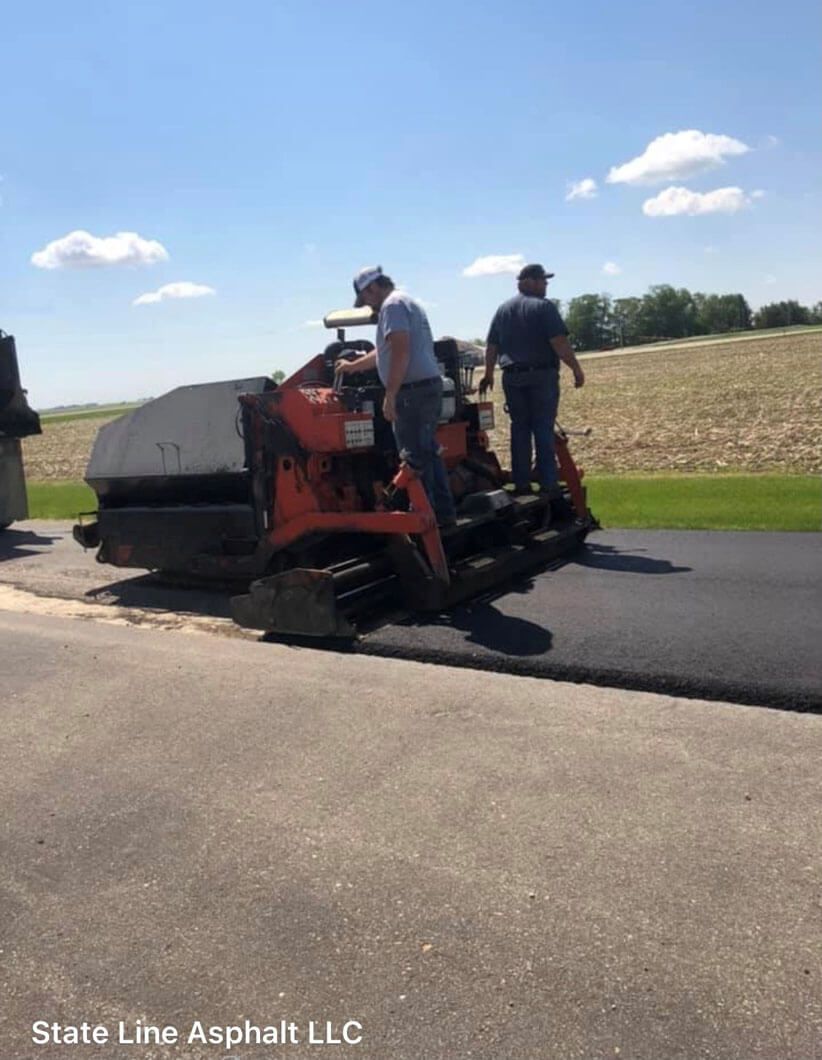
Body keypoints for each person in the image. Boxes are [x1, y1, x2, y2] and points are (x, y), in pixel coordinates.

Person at [335, 266, 457, 528]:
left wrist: (390, 394)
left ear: (372, 288)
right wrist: (351, 366)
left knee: (413, 457)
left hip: (411, 392)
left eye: (365, 298)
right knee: (427, 453)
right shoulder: (406, 301)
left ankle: (423, 516)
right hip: (426, 387)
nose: (368, 304)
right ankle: (442, 514)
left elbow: (400, 351)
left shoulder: (392, 306)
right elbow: (386, 352)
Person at [479, 263, 585, 507]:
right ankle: (548, 483)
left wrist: (488, 374)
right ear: (529, 282)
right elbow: (559, 341)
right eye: (543, 281)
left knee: (519, 430)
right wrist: (576, 369)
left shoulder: (503, 310)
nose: (546, 285)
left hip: (512, 377)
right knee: (543, 429)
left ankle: (522, 482)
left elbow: (492, 346)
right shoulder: (544, 308)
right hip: (541, 375)